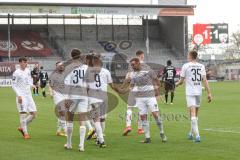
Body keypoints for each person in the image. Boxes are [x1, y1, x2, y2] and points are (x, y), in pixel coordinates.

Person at [117, 58, 167, 143]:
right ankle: (147, 138)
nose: (132, 67)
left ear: (138, 63)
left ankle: (162, 133)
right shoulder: (133, 74)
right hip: (140, 98)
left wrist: (157, 91)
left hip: (150, 97)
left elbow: (157, 81)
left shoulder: (148, 71)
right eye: (131, 65)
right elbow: (132, 86)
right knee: (143, 117)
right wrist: (122, 91)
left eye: (133, 65)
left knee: (155, 115)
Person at [176, 50, 212, 142]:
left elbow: (181, 81)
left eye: (188, 55)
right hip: (199, 91)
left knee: (192, 114)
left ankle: (197, 135)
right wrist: (209, 93)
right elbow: (205, 81)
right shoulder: (201, 66)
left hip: (190, 92)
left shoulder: (186, 66)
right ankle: (191, 133)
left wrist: (176, 84)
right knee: (195, 114)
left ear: (190, 56)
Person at [64, 48, 89, 152]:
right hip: (83, 95)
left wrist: (66, 98)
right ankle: (81, 146)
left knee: (69, 118)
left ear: (71, 56)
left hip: (72, 95)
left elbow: (66, 83)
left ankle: (69, 143)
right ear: (80, 55)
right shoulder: (86, 67)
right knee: (82, 120)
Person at [12, 57, 37, 140]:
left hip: (28, 95)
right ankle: (25, 133)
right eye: (24, 62)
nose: (26, 63)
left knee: (34, 114)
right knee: (23, 114)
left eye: (26, 62)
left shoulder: (28, 71)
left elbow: (29, 80)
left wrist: (32, 85)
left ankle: (22, 126)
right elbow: (13, 85)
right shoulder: (16, 73)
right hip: (21, 96)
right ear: (20, 63)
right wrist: (19, 95)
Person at [122, 50, 145, 136]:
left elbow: (128, 77)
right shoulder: (145, 65)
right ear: (141, 55)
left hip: (133, 89)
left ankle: (128, 126)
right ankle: (140, 128)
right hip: (142, 90)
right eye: (143, 55)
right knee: (141, 109)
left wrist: (123, 86)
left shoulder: (131, 65)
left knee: (129, 108)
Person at [49, 61, 67, 137]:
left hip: (65, 95)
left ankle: (58, 131)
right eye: (60, 66)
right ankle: (66, 130)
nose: (61, 66)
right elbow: (50, 85)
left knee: (63, 113)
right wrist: (50, 92)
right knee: (62, 112)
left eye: (62, 65)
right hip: (57, 95)